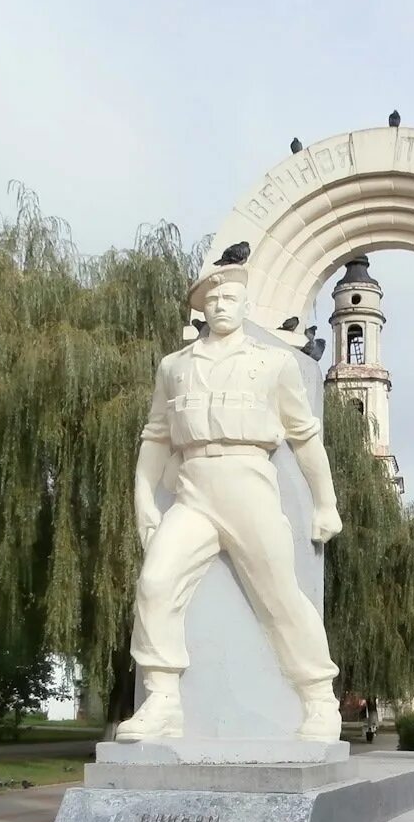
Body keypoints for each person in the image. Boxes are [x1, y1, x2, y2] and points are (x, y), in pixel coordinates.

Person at [116, 244, 343, 743]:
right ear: (202, 308)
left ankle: (318, 699)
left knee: (280, 594)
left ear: (245, 304)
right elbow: (155, 437)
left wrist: (325, 502)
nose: (222, 305)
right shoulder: (173, 366)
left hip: (248, 481)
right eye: (213, 299)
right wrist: (143, 501)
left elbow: (305, 437)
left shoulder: (272, 364)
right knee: (155, 584)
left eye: (232, 298)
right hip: (193, 487)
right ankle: (163, 701)